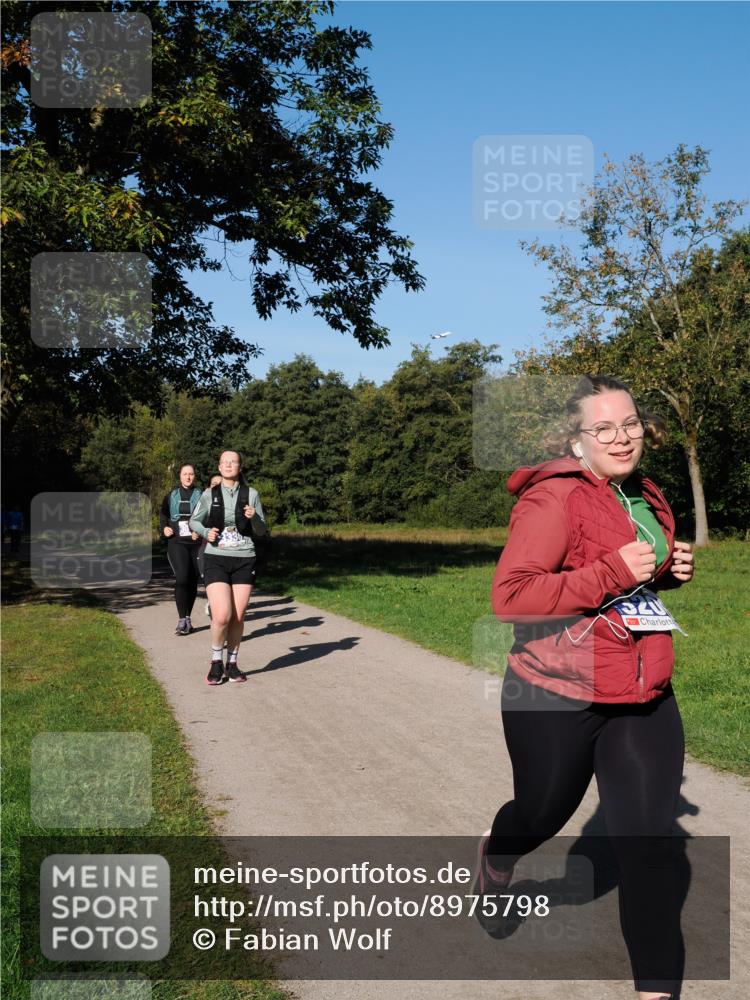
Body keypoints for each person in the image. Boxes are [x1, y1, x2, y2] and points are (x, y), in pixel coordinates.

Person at [476, 375, 694, 1000]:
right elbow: (510, 597)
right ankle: (498, 855)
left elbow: (628, 587)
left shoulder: (645, 495)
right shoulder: (553, 499)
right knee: (540, 813)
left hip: (641, 691)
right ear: (577, 439)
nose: (622, 437)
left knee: (650, 851)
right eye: (604, 428)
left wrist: (668, 576)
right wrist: (607, 572)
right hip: (554, 690)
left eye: (629, 424)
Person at [189, 450, 267, 685]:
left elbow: (262, 530)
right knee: (222, 615)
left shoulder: (251, 494)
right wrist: (205, 531)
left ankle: (232, 664)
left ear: (239, 467)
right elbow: (194, 520)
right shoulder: (209, 494)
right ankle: (216, 662)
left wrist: (254, 517)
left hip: (244, 557)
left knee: (238, 615)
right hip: (216, 557)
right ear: (220, 467)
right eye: (225, 462)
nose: (229, 465)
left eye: (234, 462)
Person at [159, 464, 203, 635]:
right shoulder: (171, 495)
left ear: (194, 476)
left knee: (192, 580)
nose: (188, 477)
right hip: (177, 543)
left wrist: (199, 531)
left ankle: (188, 618)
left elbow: (209, 516)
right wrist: (164, 528)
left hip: (196, 543)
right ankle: (181, 619)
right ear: (180, 476)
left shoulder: (202, 495)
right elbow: (163, 514)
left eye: (191, 474)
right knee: (182, 577)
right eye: (185, 474)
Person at [198, 474, 223, 620]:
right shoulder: (204, 501)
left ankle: (218, 607)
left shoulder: (233, 501)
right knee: (209, 578)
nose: (217, 486)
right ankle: (212, 602)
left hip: (228, 549)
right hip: (207, 547)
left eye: (220, 484)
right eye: (214, 484)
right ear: (208, 487)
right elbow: (195, 521)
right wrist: (199, 531)